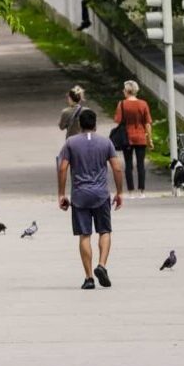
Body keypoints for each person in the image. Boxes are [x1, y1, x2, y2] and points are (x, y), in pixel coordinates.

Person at [57, 109, 124, 290]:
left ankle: (88, 278)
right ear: (95, 124)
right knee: (104, 231)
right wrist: (119, 192)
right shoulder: (105, 142)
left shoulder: (71, 143)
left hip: (79, 196)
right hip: (101, 194)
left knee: (84, 235)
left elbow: (62, 168)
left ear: (79, 124)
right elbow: (117, 168)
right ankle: (101, 265)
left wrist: (61, 194)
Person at [113, 80, 153, 197]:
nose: (123, 92)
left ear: (128, 91)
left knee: (128, 164)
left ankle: (130, 191)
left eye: (124, 90)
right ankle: (142, 191)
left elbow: (118, 120)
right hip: (140, 137)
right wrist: (149, 139)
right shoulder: (143, 104)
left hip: (127, 138)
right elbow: (148, 123)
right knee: (141, 164)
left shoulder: (122, 104)